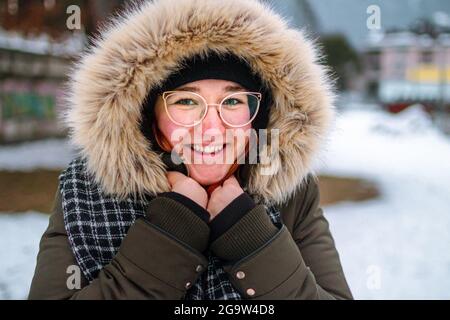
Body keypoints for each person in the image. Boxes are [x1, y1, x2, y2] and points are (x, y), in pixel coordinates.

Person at [28, 0, 353, 300]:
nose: (212, 129)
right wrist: (171, 234)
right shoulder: (85, 192)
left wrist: (251, 239)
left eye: (233, 101)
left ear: (259, 116)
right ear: (146, 115)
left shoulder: (291, 193)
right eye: (186, 101)